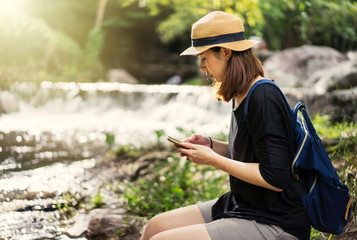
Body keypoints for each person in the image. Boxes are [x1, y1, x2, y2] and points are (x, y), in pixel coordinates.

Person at [140, 11, 310, 240]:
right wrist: (211, 146)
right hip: (243, 204)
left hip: (275, 220)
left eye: (203, 58)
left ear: (226, 52)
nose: (202, 67)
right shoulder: (243, 93)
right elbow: (254, 152)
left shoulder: (263, 95)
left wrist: (212, 160)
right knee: (155, 227)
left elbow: (275, 177)